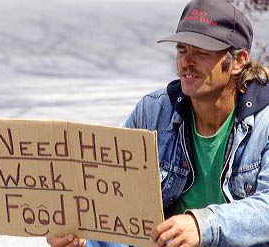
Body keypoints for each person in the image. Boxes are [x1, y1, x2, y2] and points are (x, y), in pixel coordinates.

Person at [47, 0, 269, 246]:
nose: (187, 62)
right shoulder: (154, 112)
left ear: (238, 61)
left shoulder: (264, 121)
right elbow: (113, 196)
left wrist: (203, 224)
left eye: (202, 52)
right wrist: (84, 240)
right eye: (182, 50)